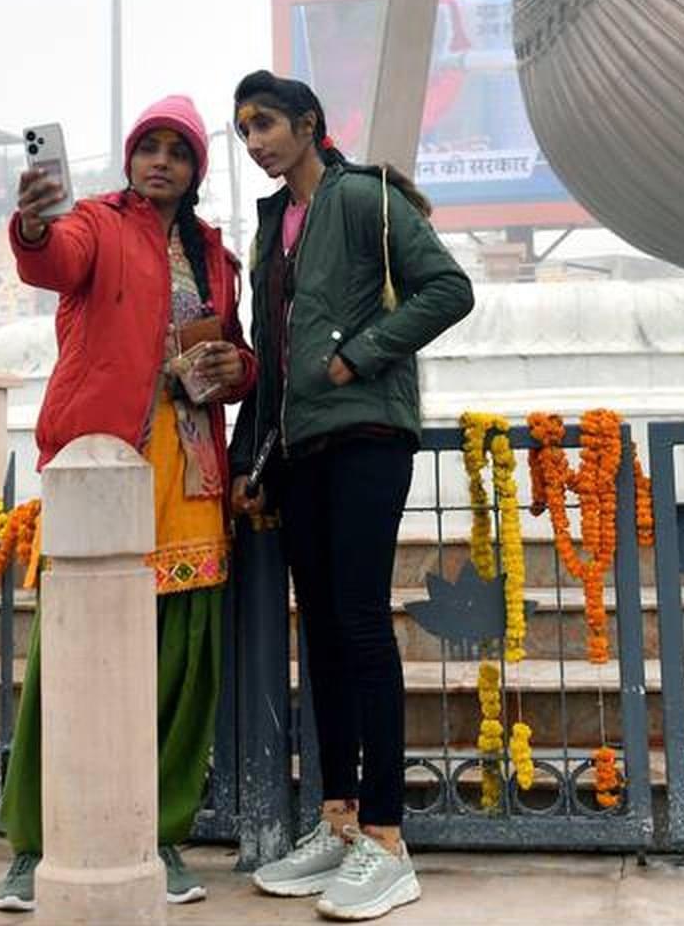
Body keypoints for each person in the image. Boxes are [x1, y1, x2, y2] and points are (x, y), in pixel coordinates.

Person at [0, 95, 257, 912]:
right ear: (131, 157)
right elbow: (52, 262)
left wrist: (230, 372)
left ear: (196, 170)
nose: (164, 163)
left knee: (181, 664)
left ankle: (160, 834)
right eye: (151, 147)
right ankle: (35, 846)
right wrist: (34, 225)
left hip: (192, 470)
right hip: (103, 464)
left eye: (180, 152)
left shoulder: (215, 254)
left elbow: (240, 356)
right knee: (70, 662)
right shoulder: (97, 224)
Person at [228, 70, 474, 922]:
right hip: (298, 452)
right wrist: (246, 458)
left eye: (265, 125)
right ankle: (337, 822)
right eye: (244, 131)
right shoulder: (272, 227)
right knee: (323, 634)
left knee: (362, 625)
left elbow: (449, 288)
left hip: (367, 433)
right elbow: (267, 354)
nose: (255, 143)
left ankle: (387, 837)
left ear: (308, 124)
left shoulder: (365, 198)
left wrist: (357, 356)